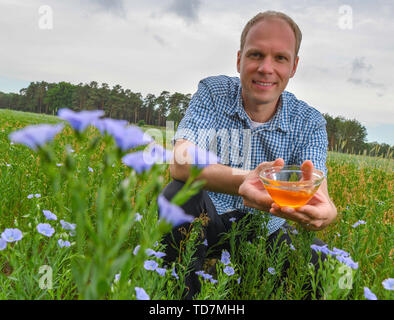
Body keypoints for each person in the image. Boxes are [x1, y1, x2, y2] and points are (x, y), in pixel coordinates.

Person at [160, 10, 338, 299]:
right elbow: (181, 161)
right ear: (239, 59)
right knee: (178, 194)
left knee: (321, 262)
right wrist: (249, 179)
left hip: (265, 230)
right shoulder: (214, 92)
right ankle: (182, 296)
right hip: (210, 220)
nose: (266, 68)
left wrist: (327, 213)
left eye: (280, 58)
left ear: (294, 66)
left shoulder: (310, 122)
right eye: (256, 55)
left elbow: (318, 192)